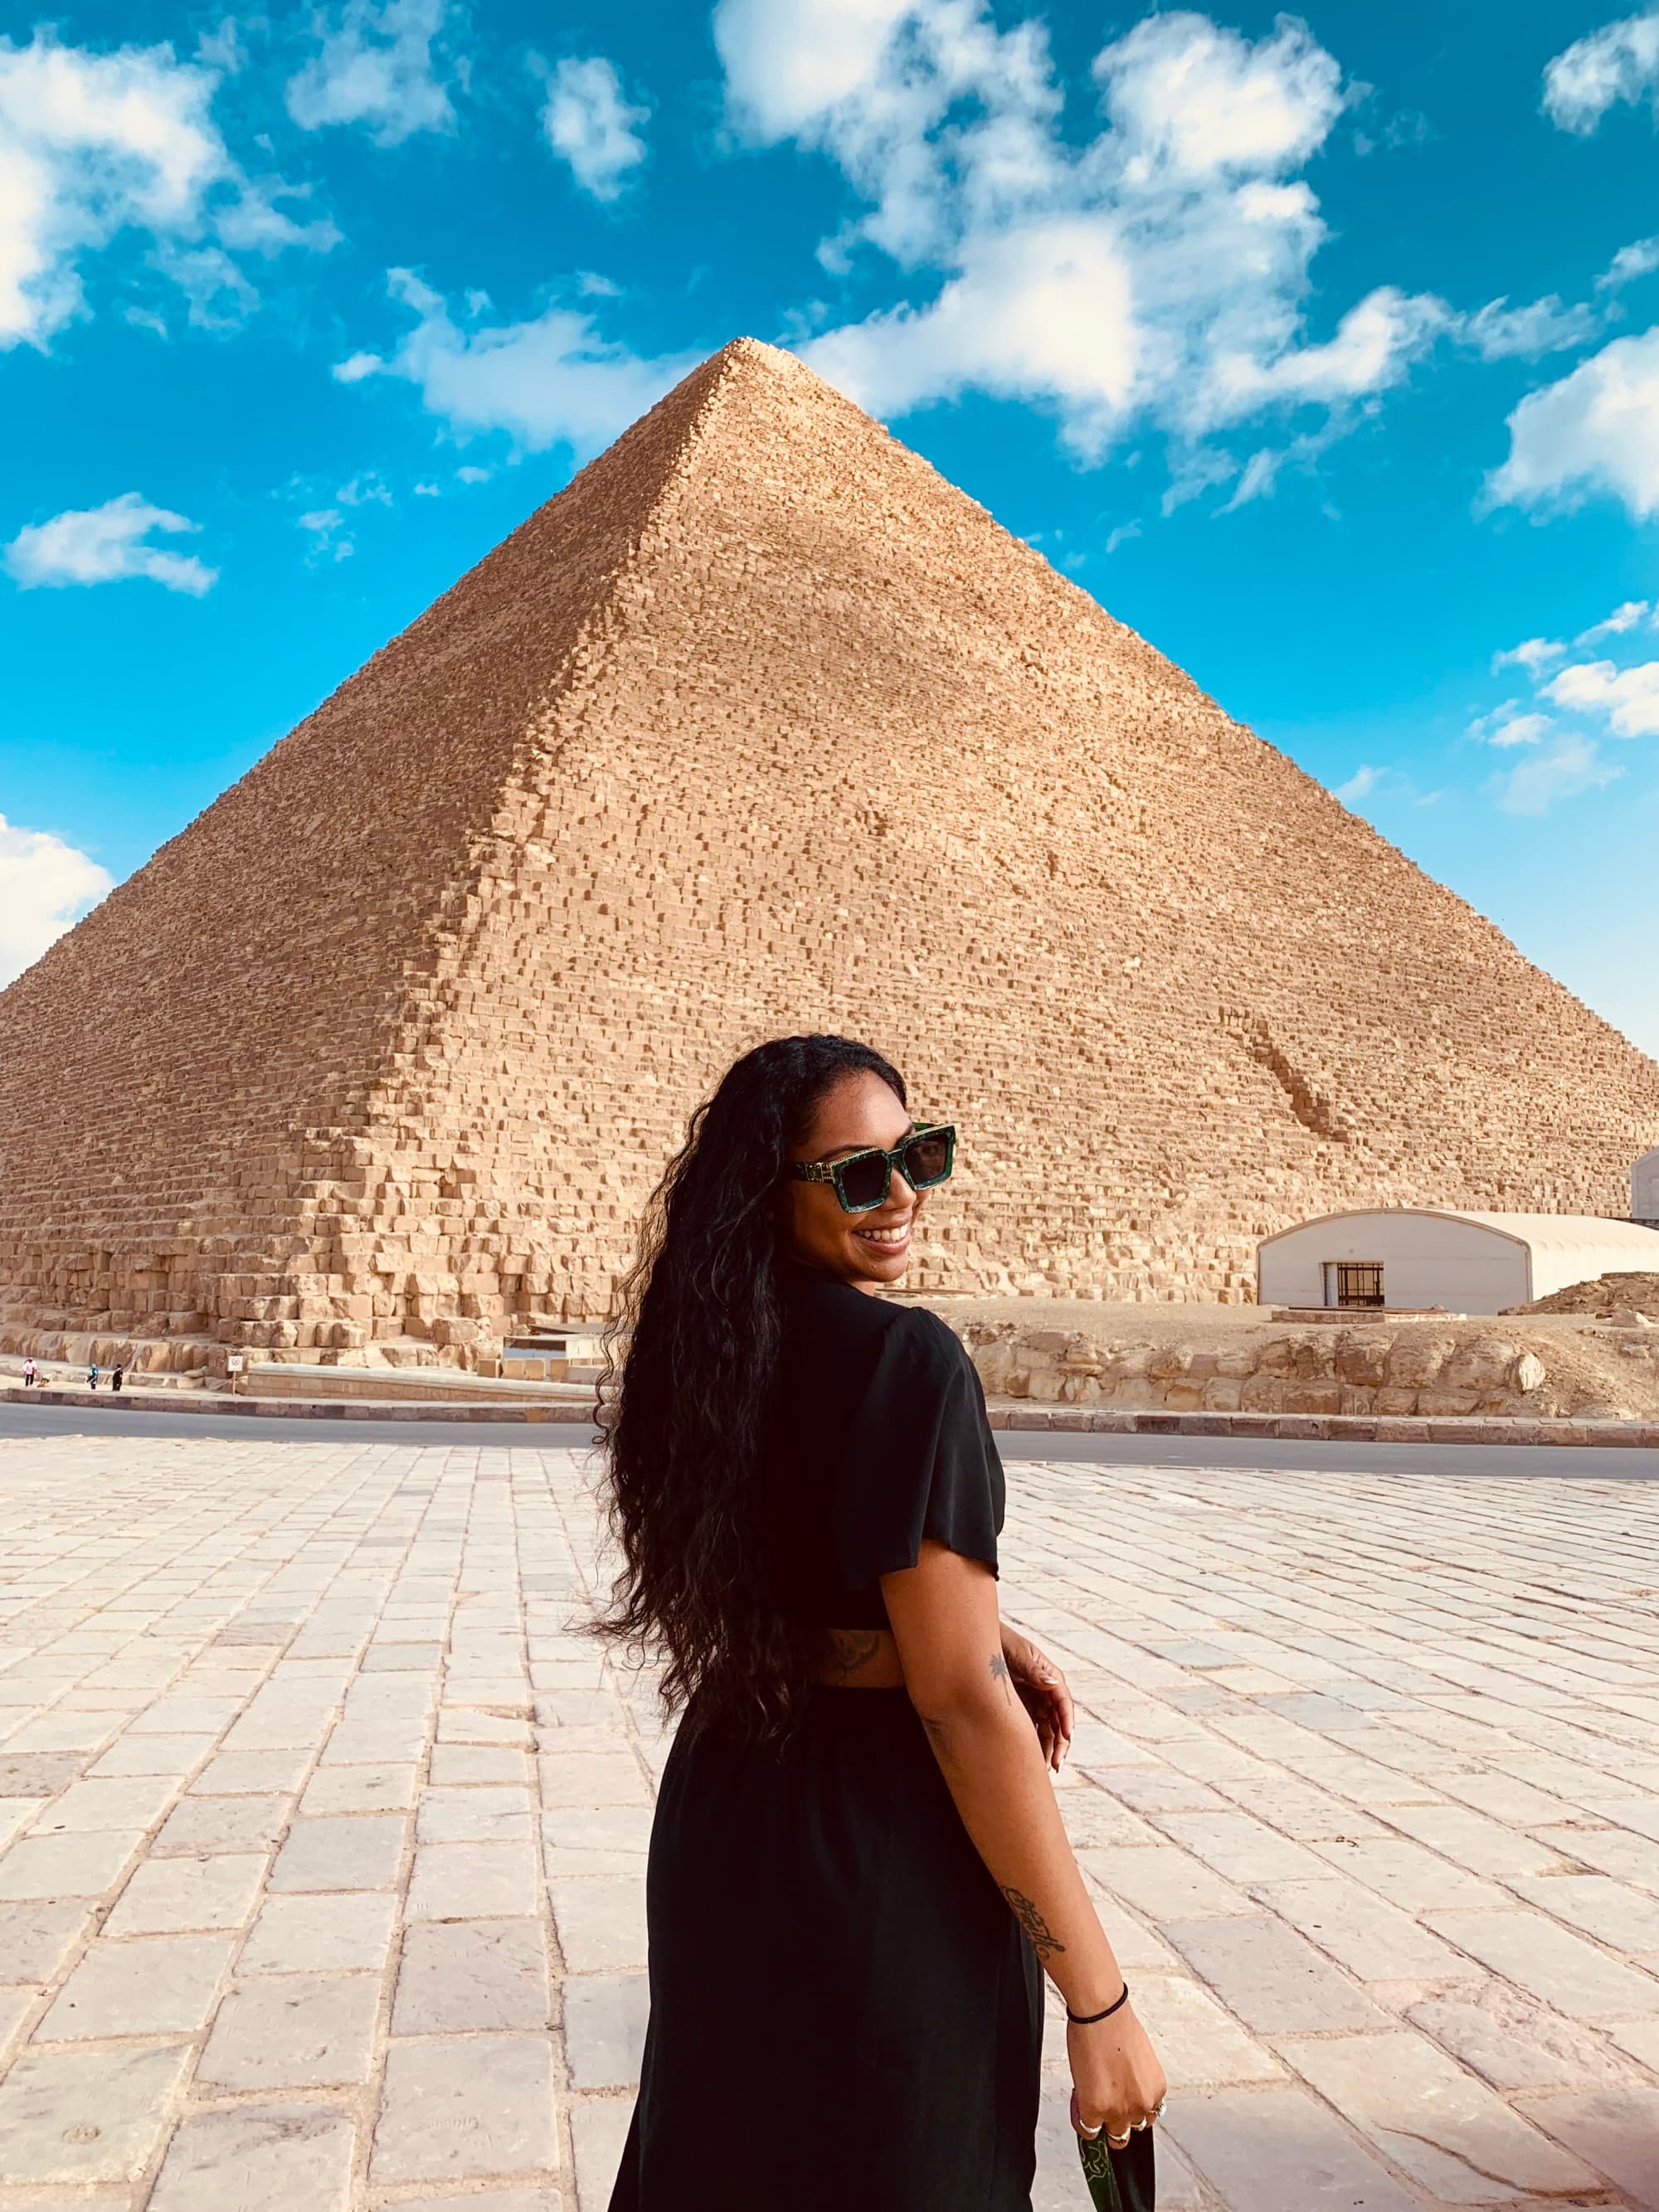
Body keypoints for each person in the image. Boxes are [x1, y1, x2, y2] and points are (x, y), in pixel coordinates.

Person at [601, 1035, 1165, 2212]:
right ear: (774, 1190)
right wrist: (1101, 2005)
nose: (903, 1193)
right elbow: (961, 1709)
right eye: (860, 1173)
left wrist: (976, 1628)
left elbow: (798, 1568)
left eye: (920, 1155)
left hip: (731, 1810)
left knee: (727, 2166)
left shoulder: (702, 1352)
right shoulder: (910, 1362)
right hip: (879, 1851)